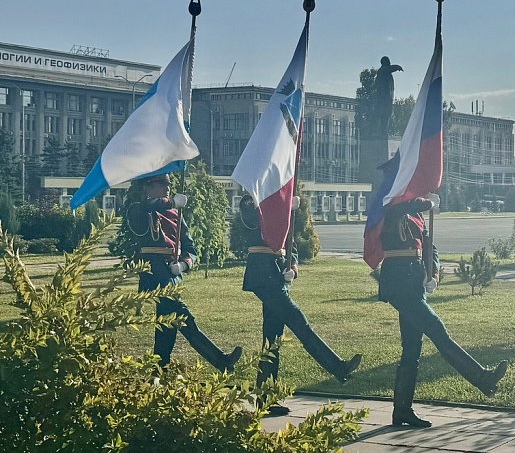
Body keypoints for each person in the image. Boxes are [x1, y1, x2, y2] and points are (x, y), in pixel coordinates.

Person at [378, 192, 508, 428]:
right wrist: (425, 202)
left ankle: (402, 411)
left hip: (414, 283)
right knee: (437, 330)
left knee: (411, 349)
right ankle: (482, 377)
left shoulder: (416, 214)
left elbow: (430, 248)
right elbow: (397, 210)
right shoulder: (391, 204)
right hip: (398, 281)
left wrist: (433, 273)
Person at [239, 193, 362, 416]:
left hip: (277, 276)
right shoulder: (255, 199)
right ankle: (337, 367)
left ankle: (265, 400)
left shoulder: (282, 207)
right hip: (262, 274)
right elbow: (249, 219)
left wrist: (293, 269)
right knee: (299, 321)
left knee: (272, 340)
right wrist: (265, 203)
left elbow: (290, 245)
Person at [128, 173, 242, 373]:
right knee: (184, 319)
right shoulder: (140, 210)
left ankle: (158, 370)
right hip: (154, 273)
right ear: (147, 188)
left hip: (172, 274)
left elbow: (190, 248)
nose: (167, 187)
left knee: (167, 328)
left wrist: (183, 265)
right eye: (161, 184)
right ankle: (220, 360)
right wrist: (170, 202)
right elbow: (143, 208)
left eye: (168, 184)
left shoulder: (175, 213)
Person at [373, 56, 403, 137]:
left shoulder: (386, 73)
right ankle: (382, 131)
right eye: (388, 61)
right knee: (383, 114)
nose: (389, 63)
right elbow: (390, 68)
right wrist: (397, 67)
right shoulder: (382, 71)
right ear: (384, 62)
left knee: (387, 114)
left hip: (388, 98)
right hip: (383, 98)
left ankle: (383, 131)